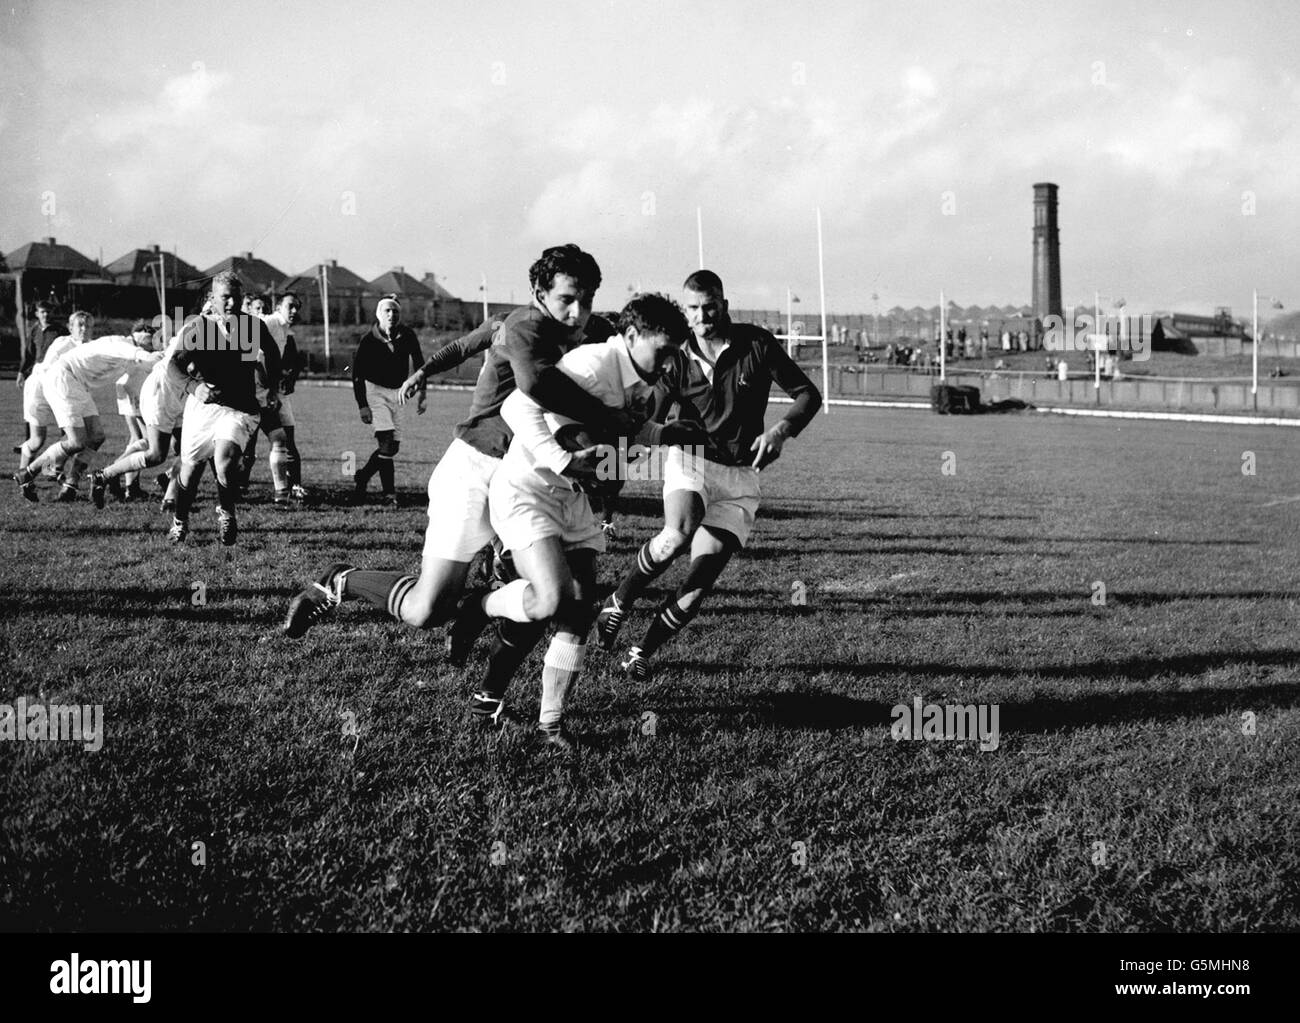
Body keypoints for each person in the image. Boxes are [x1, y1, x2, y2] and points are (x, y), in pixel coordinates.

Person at [282, 244, 638, 664]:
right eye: (567, 300)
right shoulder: (519, 326)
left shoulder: (591, 330)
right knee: (427, 610)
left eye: (587, 300)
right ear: (539, 293)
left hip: (529, 479)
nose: (578, 313)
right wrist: (617, 422)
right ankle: (340, 580)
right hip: (475, 468)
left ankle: (493, 659)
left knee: (562, 594)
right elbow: (532, 384)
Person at [467, 292, 698, 747]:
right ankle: (478, 606)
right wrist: (563, 459)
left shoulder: (643, 377)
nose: (669, 361)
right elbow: (517, 406)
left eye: (675, 352)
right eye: (663, 350)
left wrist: (663, 433)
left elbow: (624, 425)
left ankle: (550, 724)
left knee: (579, 609)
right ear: (631, 336)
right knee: (553, 599)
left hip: (571, 499)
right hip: (527, 490)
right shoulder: (593, 362)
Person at [594, 269, 822, 684]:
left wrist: (779, 431)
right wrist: (622, 455)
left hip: (741, 476)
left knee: (698, 586)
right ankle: (619, 601)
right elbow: (654, 415)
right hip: (692, 457)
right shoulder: (677, 355)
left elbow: (808, 394)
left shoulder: (756, 343)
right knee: (678, 532)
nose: (702, 316)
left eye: (709, 306)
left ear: (724, 304)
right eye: (693, 309)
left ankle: (640, 652)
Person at [165, 272, 281, 545]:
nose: (231, 303)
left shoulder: (253, 326)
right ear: (211, 298)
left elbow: (274, 355)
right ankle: (180, 522)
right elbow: (174, 366)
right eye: (225, 297)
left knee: (224, 458)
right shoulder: (198, 327)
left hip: (240, 408)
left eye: (236, 297)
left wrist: (273, 386)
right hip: (204, 407)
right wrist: (195, 387)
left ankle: (227, 513)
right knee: (190, 472)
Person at [14, 317, 161, 501]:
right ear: (141, 337)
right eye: (151, 341)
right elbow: (128, 351)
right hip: (63, 377)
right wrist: (146, 355)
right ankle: (27, 473)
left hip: (78, 384)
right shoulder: (119, 343)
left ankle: (70, 486)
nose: (154, 345)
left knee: (97, 436)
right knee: (76, 441)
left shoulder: (131, 356)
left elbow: (148, 365)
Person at [350, 295, 426, 504]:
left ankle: (363, 476)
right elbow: (356, 375)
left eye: (396, 311)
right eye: (387, 311)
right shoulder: (369, 340)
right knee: (385, 442)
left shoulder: (408, 335)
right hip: (374, 391)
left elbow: (420, 365)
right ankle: (389, 494)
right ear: (379, 314)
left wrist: (421, 393)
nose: (392, 315)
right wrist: (363, 405)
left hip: (398, 392)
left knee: (392, 448)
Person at [13, 312, 88, 501]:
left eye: (89, 326)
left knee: (73, 435)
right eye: (80, 325)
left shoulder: (85, 346)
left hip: (56, 391)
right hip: (40, 389)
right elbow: (48, 369)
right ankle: (26, 478)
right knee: (37, 440)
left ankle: (52, 470)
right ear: (70, 328)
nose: (85, 329)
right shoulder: (64, 343)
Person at [241, 293, 305, 503]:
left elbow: (285, 361)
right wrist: (268, 386)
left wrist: (285, 377)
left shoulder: (286, 329)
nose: (295, 311)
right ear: (278, 307)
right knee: (248, 443)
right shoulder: (268, 323)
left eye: (297, 307)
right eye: (290, 306)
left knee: (286, 437)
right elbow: (254, 357)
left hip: (274, 391)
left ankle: (293, 487)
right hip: (260, 391)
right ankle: (240, 485)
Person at [16, 302, 66, 453]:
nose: (46, 314)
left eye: (48, 311)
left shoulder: (60, 331)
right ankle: (28, 448)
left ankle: (57, 463)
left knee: (64, 420)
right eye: (43, 312)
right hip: (37, 379)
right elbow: (29, 354)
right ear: (37, 313)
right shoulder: (34, 330)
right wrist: (21, 372)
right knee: (33, 419)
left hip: (55, 379)